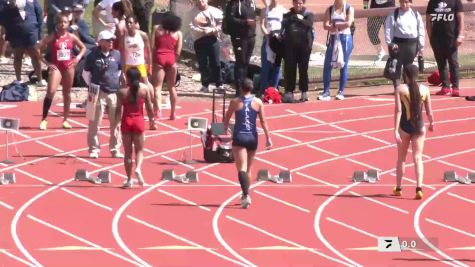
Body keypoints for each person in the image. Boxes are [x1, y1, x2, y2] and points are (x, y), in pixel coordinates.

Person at [223, 78, 272, 209]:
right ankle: (246, 194)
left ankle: (245, 195)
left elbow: (227, 116)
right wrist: (268, 138)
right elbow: (263, 121)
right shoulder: (258, 102)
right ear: (251, 88)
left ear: (240, 88)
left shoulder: (235, 102)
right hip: (252, 138)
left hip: (239, 137)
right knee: (248, 169)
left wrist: (225, 127)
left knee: (241, 169)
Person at [38, 13, 86, 130]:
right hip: (57, 67)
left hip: (69, 67)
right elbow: (38, 48)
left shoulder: (71, 36)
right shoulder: (52, 37)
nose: (62, 25)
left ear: (68, 24)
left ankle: (65, 120)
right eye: (60, 22)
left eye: (65, 22)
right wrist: (47, 63)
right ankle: (44, 119)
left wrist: (77, 58)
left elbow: (83, 48)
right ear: (57, 24)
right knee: (51, 91)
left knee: (67, 93)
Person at [394, 64, 434, 200]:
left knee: (401, 159)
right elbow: (429, 111)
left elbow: (399, 111)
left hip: (404, 127)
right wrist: (432, 123)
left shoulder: (400, 89)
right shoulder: (425, 89)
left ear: (405, 75)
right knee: (418, 158)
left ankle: (399, 188)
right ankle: (419, 188)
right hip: (420, 127)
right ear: (417, 74)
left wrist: (395, 129)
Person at [82, 30, 124, 159]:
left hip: (113, 92)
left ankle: (115, 149)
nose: (111, 42)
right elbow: (85, 74)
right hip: (97, 92)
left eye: (112, 40)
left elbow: (119, 71)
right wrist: (92, 86)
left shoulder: (117, 54)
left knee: (116, 123)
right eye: (107, 40)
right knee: (95, 122)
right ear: (100, 42)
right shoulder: (92, 55)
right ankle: (94, 149)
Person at [115, 67, 156, 188]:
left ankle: (128, 179)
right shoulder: (144, 89)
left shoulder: (122, 92)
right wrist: (152, 120)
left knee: (128, 153)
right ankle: (138, 168)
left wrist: (116, 125)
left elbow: (118, 110)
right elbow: (149, 106)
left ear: (127, 77)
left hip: (126, 121)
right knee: (139, 150)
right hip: (139, 121)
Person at [384, 0, 425, 91]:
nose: (404, 4)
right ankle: (397, 89)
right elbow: (388, 29)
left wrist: (421, 46)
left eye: (406, 2)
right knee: (396, 67)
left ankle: (408, 87)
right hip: (397, 44)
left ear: (410, 2)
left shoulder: (415, 14)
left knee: (408, 67)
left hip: (412, 44)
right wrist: (390, 43)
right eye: (402, 2)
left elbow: (421, 30)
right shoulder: (394, 14)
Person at [426, 0, 464, 97]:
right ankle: (445, 87)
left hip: (451, 39)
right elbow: (428, 21)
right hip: (437, 39)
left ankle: (455, 88)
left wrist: (460, 35)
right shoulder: (432, 2)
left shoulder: (456, 2)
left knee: (453, 63)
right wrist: (430, 38)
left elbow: (461, 20)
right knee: (441, 64)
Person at [319, 0, 354, 101]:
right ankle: (326, 92)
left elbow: (348, 23)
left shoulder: (349, 8)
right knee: (327, 64)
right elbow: (325, 25)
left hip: (345, 39)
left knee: (343, 64)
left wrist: (335, 26)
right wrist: (334, 27)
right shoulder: (330, 9)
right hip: (333, 38)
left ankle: (341, 91)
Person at [5, 0, 45, 85]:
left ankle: (40, 79)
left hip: (31, 32)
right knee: (17, 56)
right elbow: (6, 19)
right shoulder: (9, 2)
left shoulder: (33, 2)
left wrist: (40, 34)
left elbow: (39, 16)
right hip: (16, 33)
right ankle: (18, 79)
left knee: (35, 56)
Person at [281, 0, 314, 102]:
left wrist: (300, 19)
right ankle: (289, 91)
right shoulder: (287, 15)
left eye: (300, 3)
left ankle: (304, 91)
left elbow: (309, 24)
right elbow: (283, 27)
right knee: (290, 69)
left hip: (304, 48)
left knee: (303, 69)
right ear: (293, 3)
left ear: (303, 3)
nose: (298, 5)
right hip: (290, 48)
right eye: (296, 3)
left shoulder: (308, 14)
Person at [151, 12, 182, 120]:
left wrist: (154, 61)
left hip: (159, 57)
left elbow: (152, 46)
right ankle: (173, 113)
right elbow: (178, 51)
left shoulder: (156, 28)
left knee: (157, 87)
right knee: (172, 87)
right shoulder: (178, 33)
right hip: (171, 59)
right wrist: (173, 60)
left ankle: (158, 112)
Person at [189, 0, 224, 93]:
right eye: (199, 0)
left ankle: (219, 84)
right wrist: (201, 31)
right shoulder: (193, 12)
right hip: (199, 40)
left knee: (216, 63)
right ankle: (205, 85)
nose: (201, 2)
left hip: (212, 39)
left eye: (203, 0)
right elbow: (191, 26)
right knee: (202, 63)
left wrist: (213, 30)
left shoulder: (216, 12)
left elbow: (221, 25)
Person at [223, 0, 257, 96]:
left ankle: (245, 88)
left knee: (246, 62)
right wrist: (245, 22)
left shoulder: (251, 2)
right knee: (240, 62)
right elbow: (230, 19)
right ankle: (239, 90)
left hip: (251, 36)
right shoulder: (234, 3)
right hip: (239, 37)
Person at [258, 0, 286, 96]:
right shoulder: (264, 10)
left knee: (277, 66)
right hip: (267, 40)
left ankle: (274, 89)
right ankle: (265, 90)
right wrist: (267, 34)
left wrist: (280, 35)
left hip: (278, 41)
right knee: (266, 65)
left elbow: (285, 25)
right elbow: (262, 24)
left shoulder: (283, 11)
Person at [120, 15, 151, 84]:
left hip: (140, 64)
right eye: (127, 23)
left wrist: (150, 66)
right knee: (127, 85)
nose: (128, 24)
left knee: (145, 85)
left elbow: (149, 52)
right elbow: (122, 55)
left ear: (135, 24)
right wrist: (122, 71)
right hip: (128, 65)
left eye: (130, 22)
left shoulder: (143, 35)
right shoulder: (123, 38)